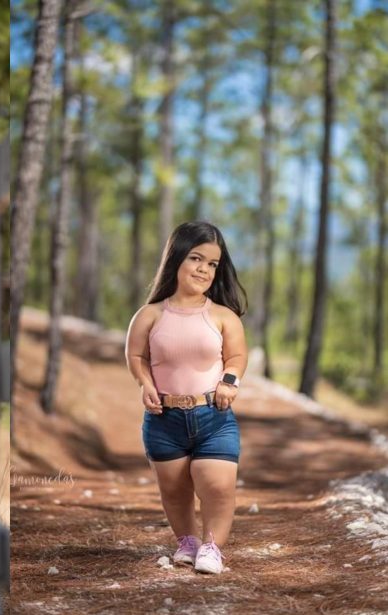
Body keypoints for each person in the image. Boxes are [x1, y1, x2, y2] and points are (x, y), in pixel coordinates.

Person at [124, 221, 248, 574]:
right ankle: (188, 542)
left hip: (214, 416)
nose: (204, 269)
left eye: (212, 264)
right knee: (175, 491)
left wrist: (229, 381)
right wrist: (144, 383)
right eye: (196, 258)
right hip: (164, 420)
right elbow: (137, 358)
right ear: (176, 258)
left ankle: (212, 547)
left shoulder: (223, 317)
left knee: (218, 485)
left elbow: (237, 357)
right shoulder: (149, 315)